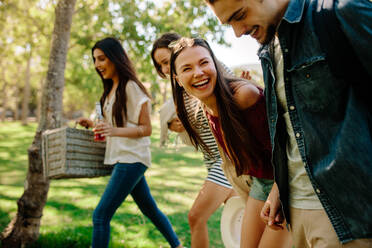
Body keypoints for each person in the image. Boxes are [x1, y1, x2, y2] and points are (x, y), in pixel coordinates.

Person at [205, 0, 372, 247]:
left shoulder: (340, 12)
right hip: (295, 214)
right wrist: (279, 189)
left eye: (240, 15)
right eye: (230, 23)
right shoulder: (268, 45)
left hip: (349, 216)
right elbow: (293, 126)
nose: (238, 32)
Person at [169, 37, 291, 248]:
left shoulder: (243, 96)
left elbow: (287, 147)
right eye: (187, 68)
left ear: (215, 64)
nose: (198, 72)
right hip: (261, 183)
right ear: (177, 79)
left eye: (204, 63)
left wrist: (278, 192)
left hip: (287, 182)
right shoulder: (206, 107)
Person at [77, 37, 182, 248]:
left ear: (115, 58)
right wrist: (93, 123)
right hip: (122, 159)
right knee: (149, 209)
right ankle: (178, 246)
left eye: (102, 59)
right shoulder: (110, 90)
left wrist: (113, 130)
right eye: (95, 60)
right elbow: (113, 124)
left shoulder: (131, 87)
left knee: (100, 215)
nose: (97, 64)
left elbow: (146, 129)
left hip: (131, 159)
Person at [151, 32, 237, 248]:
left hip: (228, 157)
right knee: (239, 214)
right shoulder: (181, 90)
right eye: (160, 64)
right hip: (211, 160)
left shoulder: (207, 71)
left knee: (196, 216)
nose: (165, 67)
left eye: (167, 60)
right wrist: (174, 125)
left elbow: (234, 88)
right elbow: (190, 131)